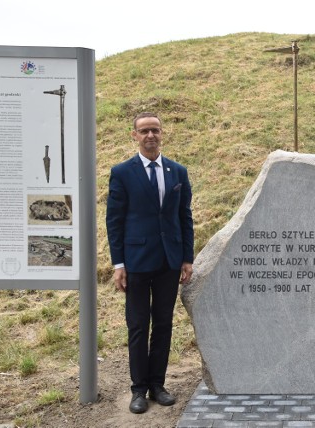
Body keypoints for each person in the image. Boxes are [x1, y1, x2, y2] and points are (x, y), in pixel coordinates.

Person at [106, 112, 194, 414]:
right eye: (144, 131)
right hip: (137, 262)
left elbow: (184, 216)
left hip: (170, 261)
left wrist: (186, 257)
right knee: (138, 325)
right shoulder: (122, 172)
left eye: (155, 130)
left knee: (164, 324)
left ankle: (158, 384)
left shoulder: (177, 171)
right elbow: (114, 221)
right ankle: (138, 390)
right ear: (134, 136)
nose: (150, 136)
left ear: (162, 133)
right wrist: (118, 263)